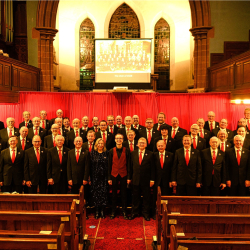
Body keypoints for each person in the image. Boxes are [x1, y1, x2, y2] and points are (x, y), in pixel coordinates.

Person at [130, 137, 154, 221]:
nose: (141, 144)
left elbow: (152, 168)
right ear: (137, 144)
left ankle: (146, 213)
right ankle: (134, 212)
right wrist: (129, 178)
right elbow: (130, 167)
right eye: (140, 143)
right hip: (135, 179)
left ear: (146, 145)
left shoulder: (150, 154)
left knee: (146, 198)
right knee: (135, 197)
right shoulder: (133, 153)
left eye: (143, 143)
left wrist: (152, 179)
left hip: (146, 180)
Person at [108, 133, 130, 219]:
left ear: (123, 140)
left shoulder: (127, 150)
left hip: (124, 174)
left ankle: (124, 211)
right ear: (115, 140)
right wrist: (109, 177)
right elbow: (109, 165)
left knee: (124, 194)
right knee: (114, 194)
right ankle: (113, 211)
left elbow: (128, 164)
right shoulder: (111, 151)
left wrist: (128, 177)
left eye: (120, 138)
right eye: (117, 138)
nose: (119, 140)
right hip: (114, 174)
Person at [153, 140, 174, 219]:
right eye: (159, 146)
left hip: (167, 181)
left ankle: (165, 212)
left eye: (162, 146)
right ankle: (156, 213)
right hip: (156, 180)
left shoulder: (171, 155)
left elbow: (173, 169)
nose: (160, 147)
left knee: (166, 198)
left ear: (165, 146)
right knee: (156, 198)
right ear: (157, 147)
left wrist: (171, 180)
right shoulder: (154, 155)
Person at [89, 138, 109, 219]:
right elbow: (90, 166)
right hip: (95, 177)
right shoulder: (92, 153)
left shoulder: (106, 153)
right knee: (96, 194)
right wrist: (89, 177)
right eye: (99, 143)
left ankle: (102, 211)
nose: (100, 145)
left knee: (103, 194)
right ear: (96, 145)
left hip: (104, 177)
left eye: (102, 143)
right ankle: (97, 211)